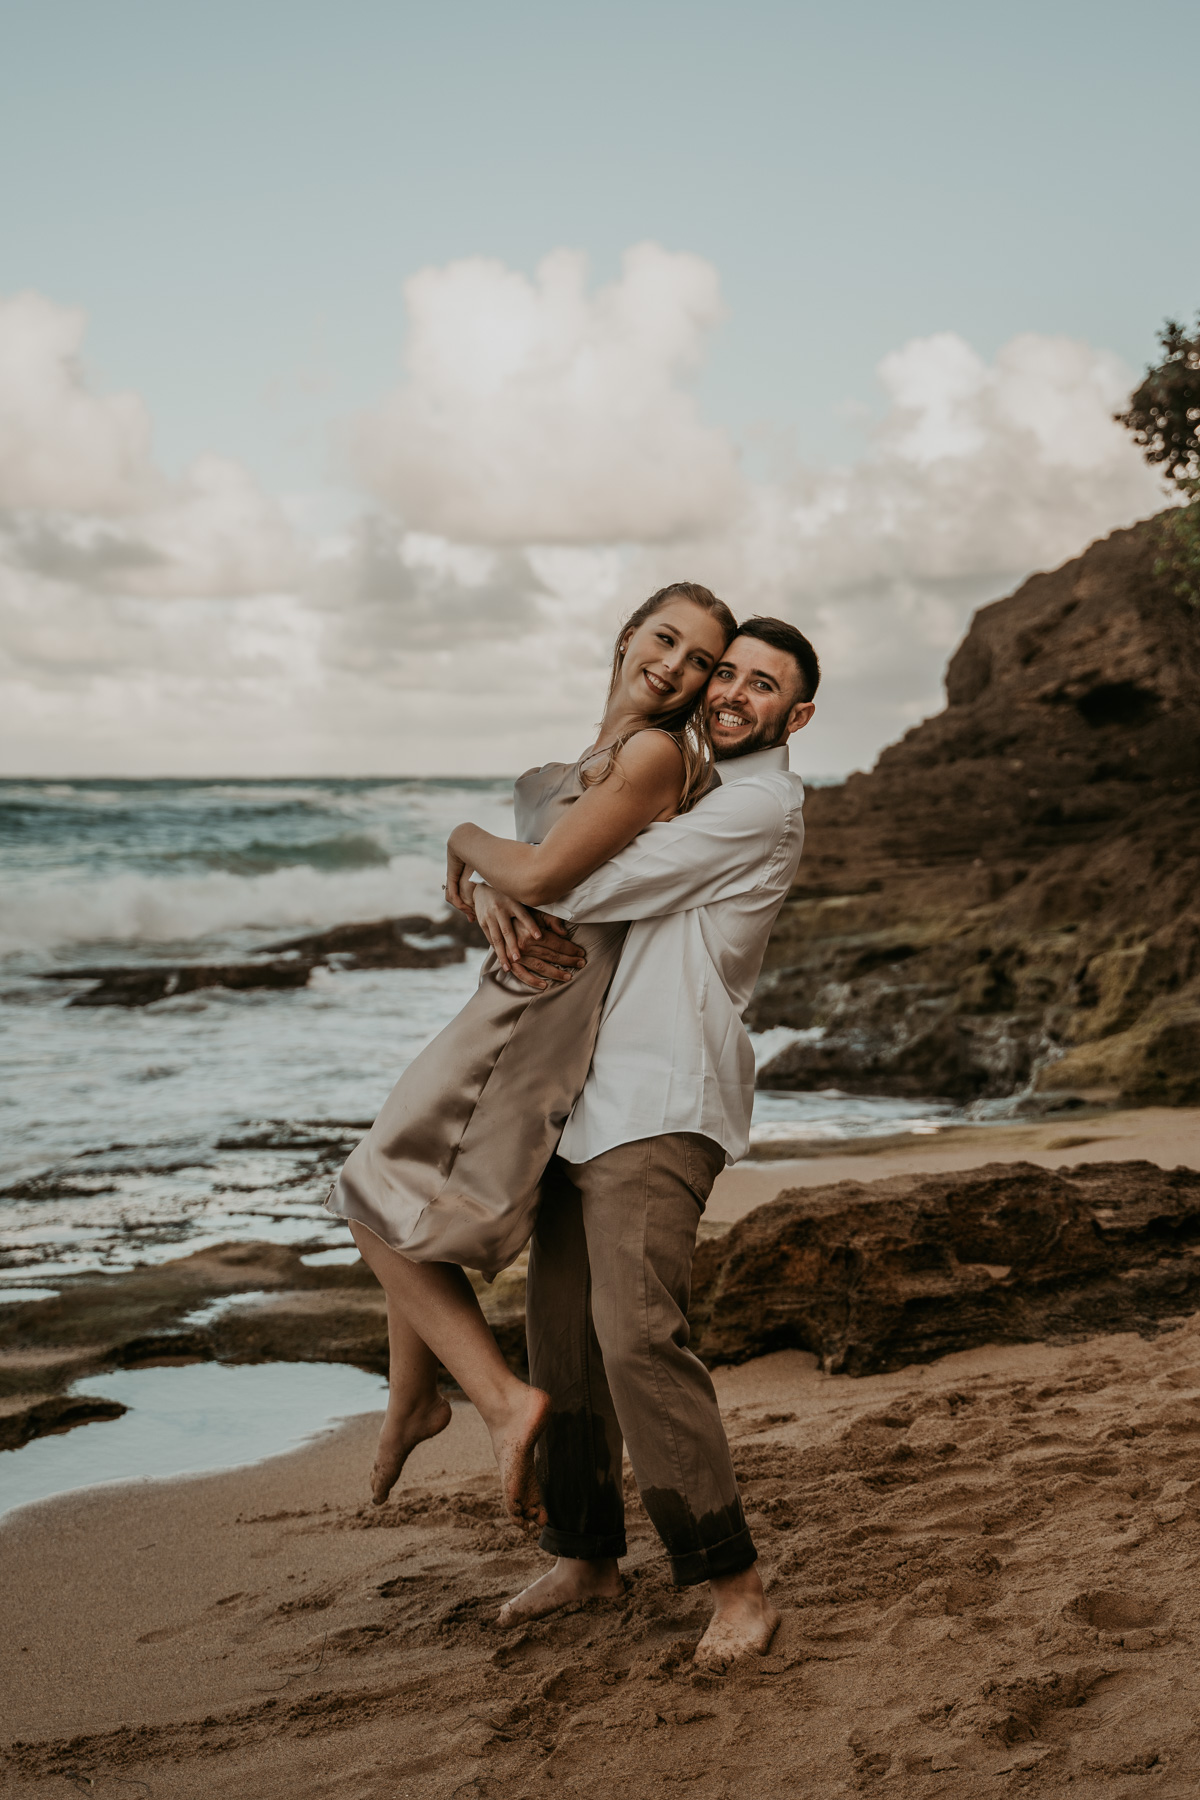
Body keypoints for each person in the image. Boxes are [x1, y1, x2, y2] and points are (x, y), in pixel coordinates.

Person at [324, 582, 737, 1532]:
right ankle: (411, 1403)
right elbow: (537, 889)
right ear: (628, 635)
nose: (675, 665)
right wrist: (488, 892)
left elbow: (547, 874)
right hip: (513, 996)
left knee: (367, 1191)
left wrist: (467, 844)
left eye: (701, 660)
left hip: (537, 1017)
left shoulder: (652, 755)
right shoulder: (588, 759)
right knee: (406, 1203)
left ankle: (499, 1403)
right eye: (665, 639)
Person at [446, 617, 818, 1670]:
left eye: (762, 683)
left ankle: (736, 1584)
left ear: (798, 716)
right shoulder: (694, 782)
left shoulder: (756, 804)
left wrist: (474, 852)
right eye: (725, 671)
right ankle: (586, 1555)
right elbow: (564, 850)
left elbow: (568, 879)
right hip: (585, 1092)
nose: (733, 691)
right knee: (560, 1339)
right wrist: (497, 884)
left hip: (662, 1100)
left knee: (638, 1340)